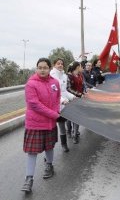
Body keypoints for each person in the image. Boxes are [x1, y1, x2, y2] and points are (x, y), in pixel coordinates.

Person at [21, 58, 60, 193]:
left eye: (45, 67)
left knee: (49, 147)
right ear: (36, 68)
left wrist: (57, 112)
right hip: (35, 124)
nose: (42, 70)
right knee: (32, 152)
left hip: (50, 123)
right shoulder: (31, 84)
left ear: (49, 69)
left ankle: (49, 166)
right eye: (40, 67)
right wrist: (54, 115)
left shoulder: (55, 83)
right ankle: (29, 178)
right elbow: (34, 104)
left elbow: (57, 100)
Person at [50, 58, 76, 152]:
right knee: (53, 128)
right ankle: (49, 150)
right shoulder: (51, 76)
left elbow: (64, 91)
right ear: (54, 65)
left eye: (61, 63)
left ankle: (64, 144)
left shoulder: (64, 76)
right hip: (54, 106)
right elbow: (54, 93)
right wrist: (62, 100)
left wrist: (72, 97)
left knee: (62, 126)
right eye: (58, 63)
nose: (60, 65)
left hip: (63, 106)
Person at [67, 61, 84, 144]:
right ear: (77, 67)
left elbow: (82, 85)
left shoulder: (80, 75)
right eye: (81, 66)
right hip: (71, 98)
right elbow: (68, 89)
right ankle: (69, 131)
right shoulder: (69, 76)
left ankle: (75, 134)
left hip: (80, 98)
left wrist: (84, 92)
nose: (82, 68)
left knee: (77, 117)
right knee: (70, 117)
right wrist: (78, 94)